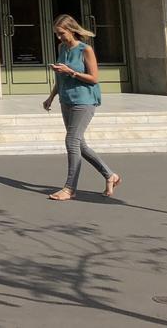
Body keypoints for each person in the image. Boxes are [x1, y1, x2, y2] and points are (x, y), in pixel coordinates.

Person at [42, 14, 122, 201]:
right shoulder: (62, 48)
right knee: (80, 144)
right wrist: (51, 97)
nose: (59, 37)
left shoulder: (86, 50)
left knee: (71, 141)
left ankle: (70, 188)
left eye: (61, 33)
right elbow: (61, 76)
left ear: (71, 30)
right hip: (66, 100)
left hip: (84, 101)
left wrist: (71, 71)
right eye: (57, 34)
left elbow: (94, 78)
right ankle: (111, 175)